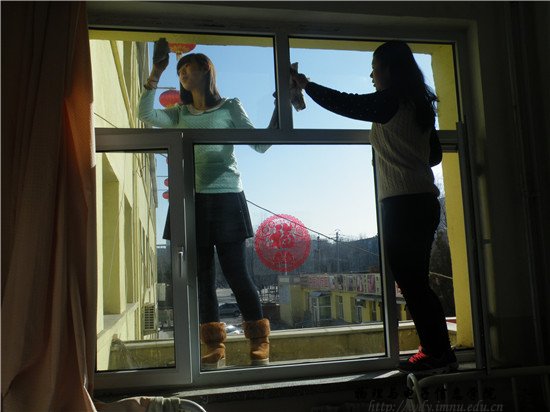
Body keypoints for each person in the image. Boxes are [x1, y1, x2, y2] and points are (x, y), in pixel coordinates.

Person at [291, 40, 456, 374]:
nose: (371, 75)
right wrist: (405, 149)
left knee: (412, 284)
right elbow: (434, 156)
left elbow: (347, 103)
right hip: (421, 201)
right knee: (416, 282)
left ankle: (437, 353)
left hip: (404, 204)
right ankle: (438, 350)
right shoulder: (417, 103)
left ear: (390, 70)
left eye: (375, 68)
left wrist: (307, 85)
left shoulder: (391, 101)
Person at [139, 50, 271, 369]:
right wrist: (156, 74)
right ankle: (214, 345)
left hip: (227, 195)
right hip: (192, 198)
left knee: (236, 272)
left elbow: (260, 144)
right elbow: (145, 114)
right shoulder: (179, 113)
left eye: (189, 67)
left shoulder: (230, 106)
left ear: (206, 71)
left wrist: (280, 108)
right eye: (180, 69)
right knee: (203, 278)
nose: (183, 72)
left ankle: (259, 338)